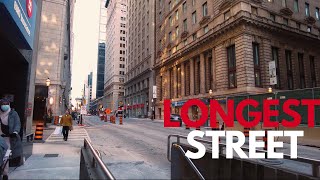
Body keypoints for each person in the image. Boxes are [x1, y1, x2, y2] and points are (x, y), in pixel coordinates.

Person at [0, 99, 23, 180]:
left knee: (5, 156)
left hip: (8, 138)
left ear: (9, 104)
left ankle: (5, 173)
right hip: (0, 137)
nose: (4, 105)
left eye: (6, 104)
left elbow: (17, 124)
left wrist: (15, 132)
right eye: (3, 104)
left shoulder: (13, 114)